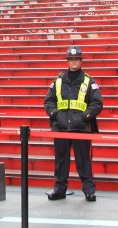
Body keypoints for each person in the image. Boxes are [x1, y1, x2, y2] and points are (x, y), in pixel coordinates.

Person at [44, 46, 103, 202]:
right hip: (61, 127)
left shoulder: (88, 81)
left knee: (83, 161)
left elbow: (97, 103)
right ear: (68, 61)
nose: (74, 61)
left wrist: (83, 117)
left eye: (76, 59)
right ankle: (59, 189)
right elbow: (48, 102)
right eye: (71, 59)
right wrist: (56, 115)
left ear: (81, 61)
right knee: (61, 161)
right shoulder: (58, 81)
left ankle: (89, 190)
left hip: (80, 128)